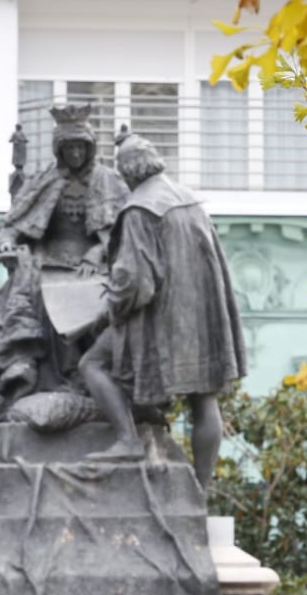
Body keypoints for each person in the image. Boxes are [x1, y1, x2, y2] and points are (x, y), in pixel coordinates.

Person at [0, 104, 130, 496]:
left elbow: (126, 236)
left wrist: (98, 254)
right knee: (32, 303)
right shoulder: (44, 182)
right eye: (69, 148)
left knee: (94, 307)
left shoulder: (110, 183)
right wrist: (10, 244)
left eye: (81, 147)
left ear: (90, 148)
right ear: (60, 150)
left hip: (94, 272)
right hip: (44, 269)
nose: (75, 154)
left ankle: (83, 383)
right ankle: (38, 381)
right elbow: (13, 228)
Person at [78, 129, 246, 487]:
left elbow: (135, 282)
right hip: (201, 320)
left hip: (160, 323)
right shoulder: (188, 199)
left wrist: (107, 311)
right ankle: (200, 490)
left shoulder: (140, 208)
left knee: (92, 363)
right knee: (204, 400)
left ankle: (127, 441)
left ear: (127, 173)